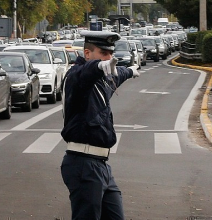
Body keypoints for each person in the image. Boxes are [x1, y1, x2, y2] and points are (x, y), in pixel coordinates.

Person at [60, 30, 140, 220]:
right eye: (103, 53)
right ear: (87, 54)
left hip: (101, 165)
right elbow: (84, 73)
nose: (109, 58)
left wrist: (129, 71)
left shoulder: (103, 79)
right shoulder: (76, 78)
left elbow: (116, 74)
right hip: (83, 163)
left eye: (111, 54)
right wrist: (98, 66)